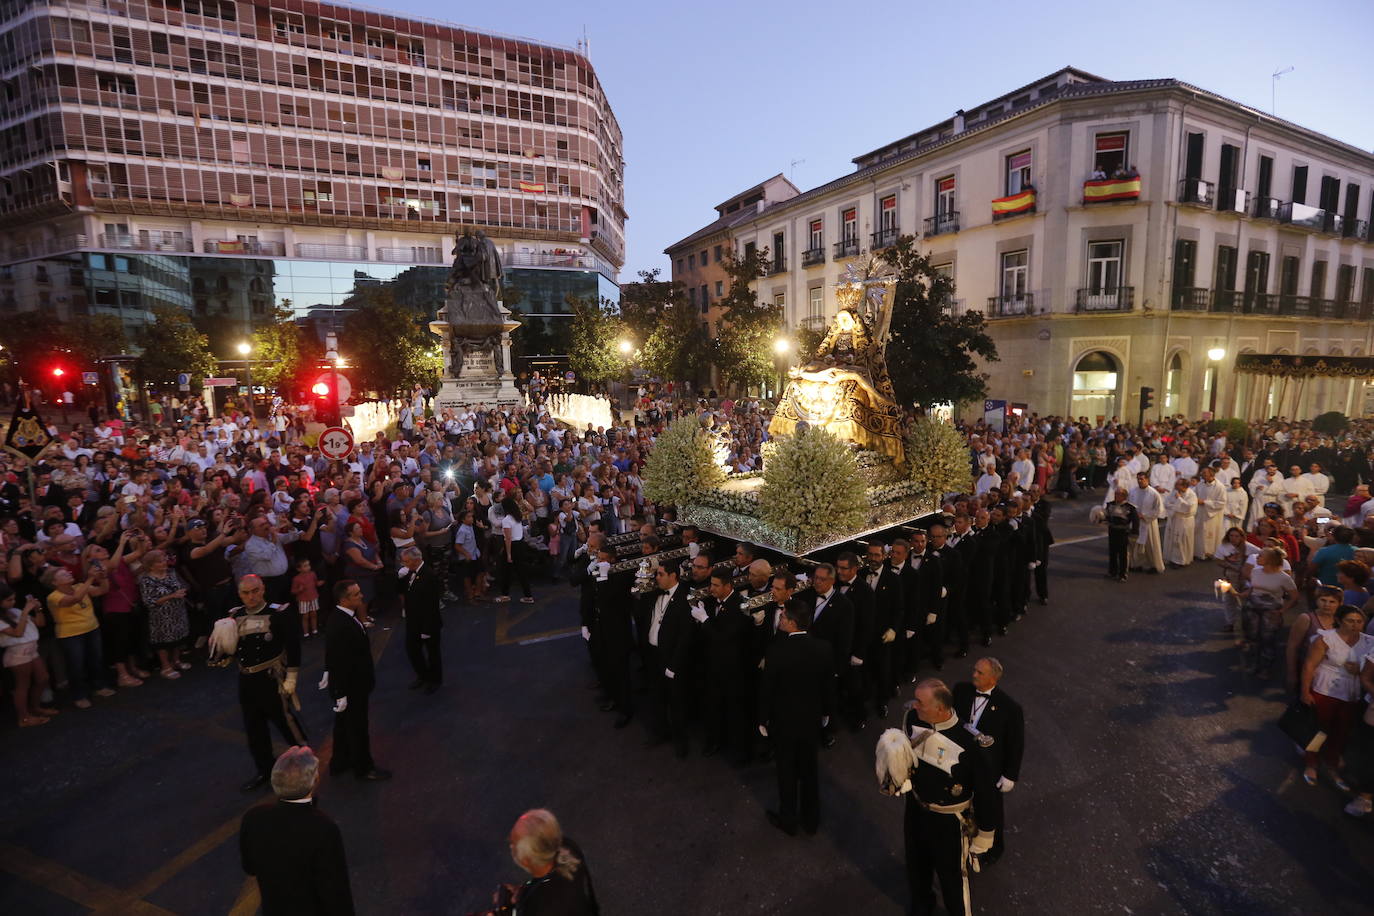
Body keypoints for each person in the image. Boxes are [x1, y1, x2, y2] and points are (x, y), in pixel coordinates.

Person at [899, 679, 998, 916]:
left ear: (940, 710)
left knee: (951, 875)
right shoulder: (912, 719)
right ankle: (922, 904)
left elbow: (986, 792)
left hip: (949, 821)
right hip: (916, 807)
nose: (914, 706)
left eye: (921, 703)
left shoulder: (971, 743)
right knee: (916, 864)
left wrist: (984, 834)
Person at [240, 746, 356, 916]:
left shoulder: (253, 818)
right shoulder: (323, 828)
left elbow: (250, 867)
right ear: (314, 781)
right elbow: (336, 893)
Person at [217, 574, 307, 791]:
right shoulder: (234, 616)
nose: (251, 596)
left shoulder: (278, 613)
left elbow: (293, 646)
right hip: (246, 681)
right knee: (254, 729)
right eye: (246, 593)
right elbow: (230, 650)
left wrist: (291, 677)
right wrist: (221, 653)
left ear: (263, 589)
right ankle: (264, 769)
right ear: (239, 594)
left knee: (286, 723)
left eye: (255, 591)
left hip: (271, 679)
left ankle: (306, 763)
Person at [758, 598, 834, 836]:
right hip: (811, 721)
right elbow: (828, 686)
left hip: (784, 722)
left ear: (791, 623)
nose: (779, 620)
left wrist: (762, 719)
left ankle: (788, 819)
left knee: (786, 772)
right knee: (810, 771)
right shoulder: (823, 648)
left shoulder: (777, 651)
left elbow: (767, 688)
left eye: (782, 618)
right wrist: (826, 714)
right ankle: (811, 821)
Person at [951, 658, 1024, 865]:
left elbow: (1015, 744)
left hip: (989, 767)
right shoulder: (961, 690)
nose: (974, 674)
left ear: (993, 678)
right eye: (974, 670)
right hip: (962, 760)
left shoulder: (1010, 708)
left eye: (979, 673)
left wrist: (1010, 774)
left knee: (990, 808)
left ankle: (994, 848)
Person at [1300, 605, 1374, 787]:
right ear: (1340, 620)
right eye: (1350, 620)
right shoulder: (1326, 639)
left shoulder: (1369, 642)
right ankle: (1311, 763)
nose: (1355, 625)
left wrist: (1360, 670)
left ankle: (1332, 764)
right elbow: (1309, 665)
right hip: (1325, 690)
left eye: (1359, 621)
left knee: (1342, 731)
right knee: (1319, 729)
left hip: (1351, 694)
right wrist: (1305, 691)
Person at [325, 579, 391, 781]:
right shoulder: (341, 624)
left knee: (344, 725)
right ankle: (364, 768)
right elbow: (338, 660)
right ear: (344, 599)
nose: (361, 596)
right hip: (352, 686)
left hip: (352, 684)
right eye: (356, 594)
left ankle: (339, 762)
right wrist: (340, 692)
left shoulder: (343, 617)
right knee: (358, 728)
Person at [495, 809, 599, 915]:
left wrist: (506, 910)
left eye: (513, 844)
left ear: (526, 860)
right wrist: (524, 890)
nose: (510, 843)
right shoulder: (568, 848)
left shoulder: (536, 907)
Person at [643, 562, 694, 758]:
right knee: (656, 697)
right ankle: (660, 733)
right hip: (653, 653)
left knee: (677, 702)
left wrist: (674, 664)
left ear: (673, 576)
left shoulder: (684, 598)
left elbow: (685, 636)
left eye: (661, 574)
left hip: (671, 658)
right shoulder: (655, 593)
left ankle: (681, 742)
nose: (657, 577)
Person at [0, 583, 59, 725]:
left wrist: (38, 609)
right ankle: (24, 717)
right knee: (22, 685)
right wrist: (26, 612)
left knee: (43, 678)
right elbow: (17, 633)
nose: (13, 602)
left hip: (32, 648)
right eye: (8, 600)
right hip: (17, 653)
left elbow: (40, 623)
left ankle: (35, 707)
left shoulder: (15, 611)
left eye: (13, 599)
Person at [1238, 547, 1297, 679]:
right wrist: (1241, 594)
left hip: (1270, 613)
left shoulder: (1283, 578)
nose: (1257, 557)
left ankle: (1266, 668)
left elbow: (1294, 596)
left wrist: (1282, 610)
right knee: (1253, 637)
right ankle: (1254, 664)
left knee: (1267, 639)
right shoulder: (1256, 571)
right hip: (1252, 609)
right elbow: (1253, 589)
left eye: (1261, 556)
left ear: (1270, 560)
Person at [398, 546, 443, 694]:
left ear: (416, 560)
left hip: (427, 623)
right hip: (413, 622)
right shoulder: (410, 572)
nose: (404, 564)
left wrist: (427, 629)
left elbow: (431, 605)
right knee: (412, 650)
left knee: (432, 653)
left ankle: (435, 680)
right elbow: (403, 590)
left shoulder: (428, 575)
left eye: (406, 561)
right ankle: (423, 675)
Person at [495, 495, 534, 605]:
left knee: (506, 572)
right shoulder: (518, 516)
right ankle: (528, 595)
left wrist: (508, 554)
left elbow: (508, 538)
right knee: (522, 572)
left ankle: (505, 595)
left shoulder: (507, 520)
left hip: (512, 546)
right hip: (520, 544)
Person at [1102, 487, 1139, 581]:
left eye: (1118, 494)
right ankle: (1112, 572)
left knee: (1123, 554)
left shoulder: (1130, 507)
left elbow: (1135, 521)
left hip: (1123, 533)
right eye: (1115, 494)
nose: (1116, 496)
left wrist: (1134, 533)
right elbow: (1105, 516)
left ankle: (1123, 574)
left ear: (1124, 496)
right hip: (1112, 531)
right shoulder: (1110, 505)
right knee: (1112, 552)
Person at [1163, 477, 1198, 568]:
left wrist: (1178, 500)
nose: (1175, 485)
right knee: (1172, 539)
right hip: (1175, 519)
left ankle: (1181, 560)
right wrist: (1177, 506)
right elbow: (1166, 503)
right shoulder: (1174, 492)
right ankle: (1172, 558)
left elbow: (1189, 508)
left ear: (1184, 486)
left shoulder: (1191, 494)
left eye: (1178, 484)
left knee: (1182, 540)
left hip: (1185, 521)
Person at [1193, 467, 1226, 560]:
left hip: (1212, 515)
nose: (1202, 475)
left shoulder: (1220, 487)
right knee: (1199, 533)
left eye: (1204, 473)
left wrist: (1204, 502)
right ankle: (1198, 552)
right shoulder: (1200, 484)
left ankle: (1209, 553)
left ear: (1211, 475)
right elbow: (1194, 495)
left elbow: (1222, 503)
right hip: (1200, 512)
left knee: (1209, 534)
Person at [290, 555, 322, 638]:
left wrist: (318, 583)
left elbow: (315, 583)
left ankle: (315, 630)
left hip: (313, 597)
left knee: (314, 614)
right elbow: (293, 591)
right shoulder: (296, 579)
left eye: (308, 565)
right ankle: (306, 633)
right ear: (299, 569)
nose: (308, 567)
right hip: (303, 600)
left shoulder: (312, 574)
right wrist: (299, 590)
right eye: (305, 566)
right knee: (305, 616)